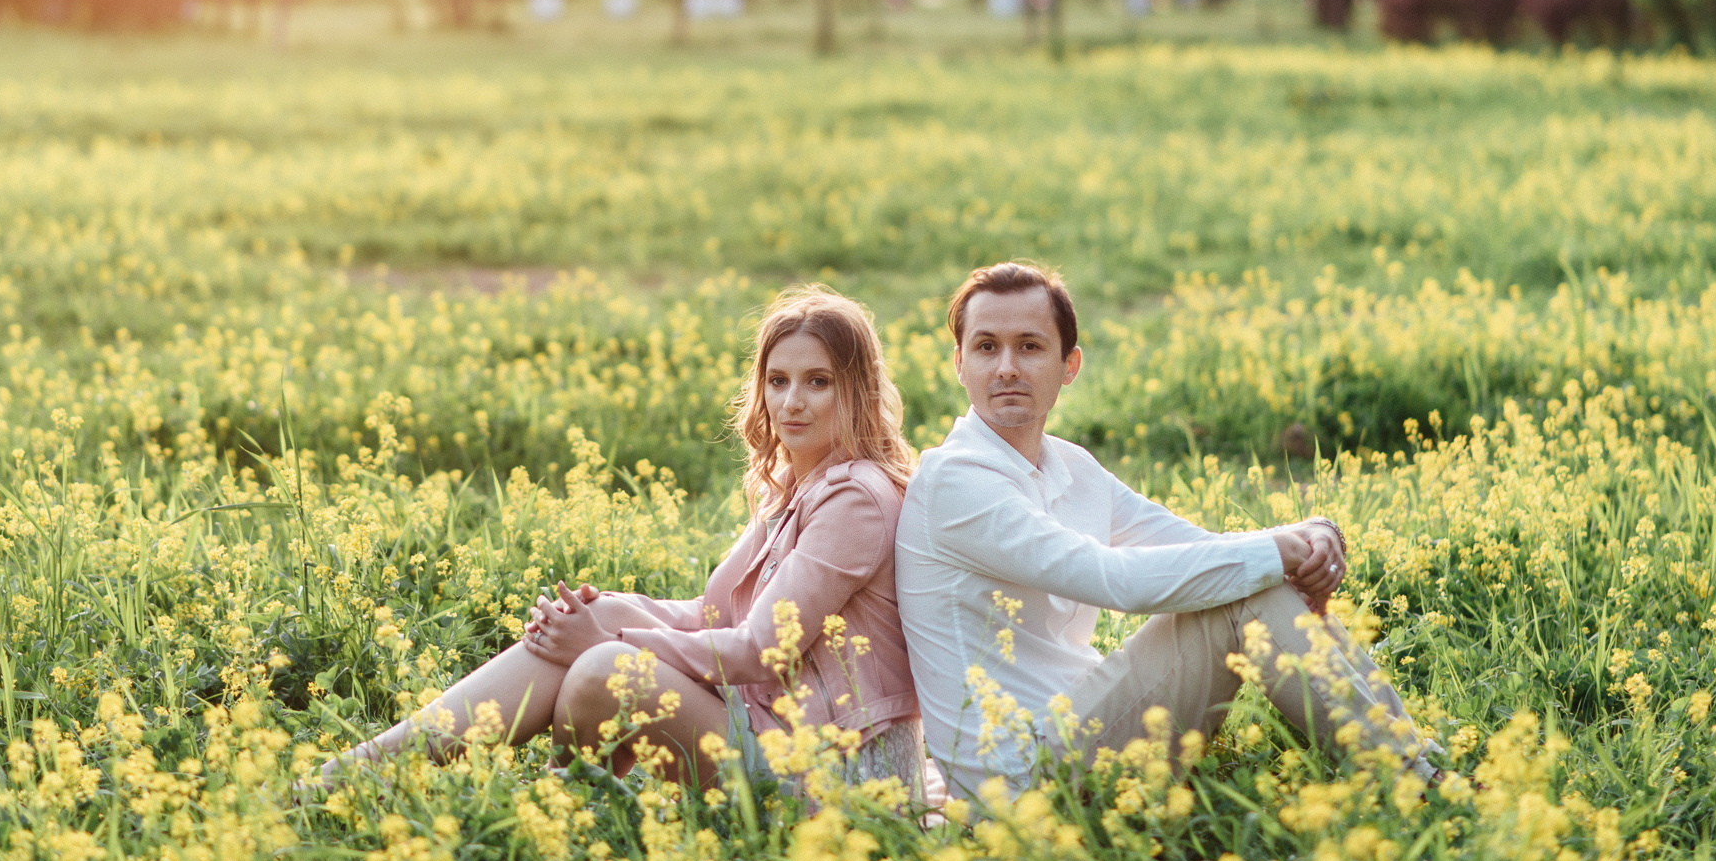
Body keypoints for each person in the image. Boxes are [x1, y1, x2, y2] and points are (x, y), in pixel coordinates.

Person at [322, 287, 923, 793]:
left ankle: (554, 813)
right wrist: (611, 612)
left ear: (856, 390)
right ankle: (365, 772)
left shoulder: (854, 500)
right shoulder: (796, 480)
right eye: (778, 380)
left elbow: (759, 649)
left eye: (817, 382)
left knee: (604, 667)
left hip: (837, 771)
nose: (791, 402)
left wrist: (614, 635)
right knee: (596, 620)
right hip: (776, 723)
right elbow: (716, 614)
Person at [896, 261, 1440, 803]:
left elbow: (1194, 547)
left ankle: (1414, 765)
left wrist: (1311, 532)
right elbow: (1114, 580)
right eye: (987, 347)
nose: (1007, 367)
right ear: (959, 363)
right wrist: (1280, 552)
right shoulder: (953, 481)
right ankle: (1418, 778)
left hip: (1083, 728)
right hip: (1022, 779)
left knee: (1248, 579)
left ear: (1069, 365)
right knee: (1247, 584)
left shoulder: (1071, 466)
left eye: (1030, 347)